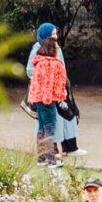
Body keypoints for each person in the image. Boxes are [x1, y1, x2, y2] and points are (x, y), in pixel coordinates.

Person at [27, 27, 70, 159]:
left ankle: (41, 157)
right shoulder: (55, 64)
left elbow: (34, 81)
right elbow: (60, 84)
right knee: (50, 128)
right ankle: (52, 159)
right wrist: (61, 98)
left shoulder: (38, 62)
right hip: (50, 100)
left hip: (38, 100)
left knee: (42, 127)